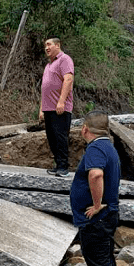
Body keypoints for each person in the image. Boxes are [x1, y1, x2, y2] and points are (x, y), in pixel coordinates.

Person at [71, 111, 121, 266]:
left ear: (85, 129)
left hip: (97, 219)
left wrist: (97, 204)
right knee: (107, 263)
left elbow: (96, 175)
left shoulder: (96, 148)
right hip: (107, 217)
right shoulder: (109, 146)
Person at [39, 37, 75, 177]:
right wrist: (41, 108)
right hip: (48, 108)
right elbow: (44, 88)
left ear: (57, 45)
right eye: (45, 46)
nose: (46, 48)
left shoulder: (64, 59)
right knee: (52, 138)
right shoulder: (49, 65)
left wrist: (61, 101)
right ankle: (58, 164)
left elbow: (68, 79)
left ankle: (63, 167)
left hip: (60, 108)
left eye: (49, 45)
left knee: (60, 137)